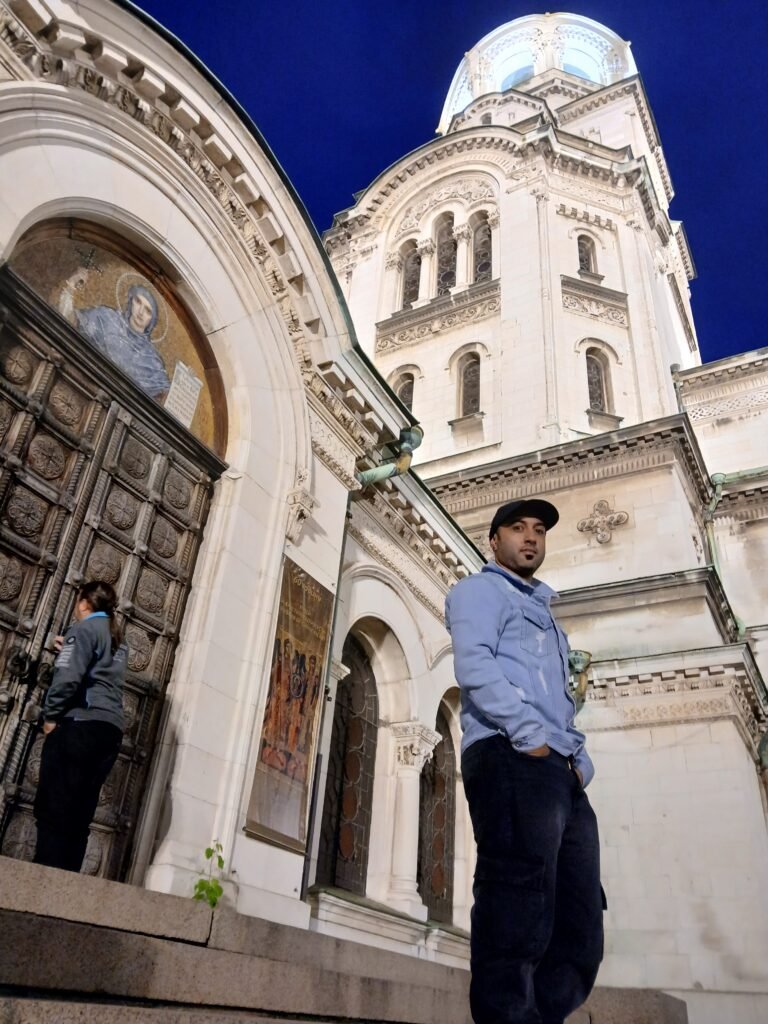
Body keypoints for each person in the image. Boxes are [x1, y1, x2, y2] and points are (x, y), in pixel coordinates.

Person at [445, 498, 603, 1024]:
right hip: (509, 754)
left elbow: (558, 696)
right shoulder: (479, 591)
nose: (531, 537)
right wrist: (529, 735)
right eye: (517, 528)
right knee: (516, 906)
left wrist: (578, 760)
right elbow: (475, 666)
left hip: (559, 769)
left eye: (539, 530)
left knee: (579, 922)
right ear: (494, 540)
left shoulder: (548, 616)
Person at [33, 580, 127, 872]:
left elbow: (68, 679)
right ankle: (68, 883)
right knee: (80, 813)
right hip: (109, 730)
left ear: (84, 602)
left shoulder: (83, 629)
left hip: (81, 725)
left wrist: (50, 718)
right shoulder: (118, 639)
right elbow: (100, 669)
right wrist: (70, 648)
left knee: (54, 807)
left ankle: (43, 879)